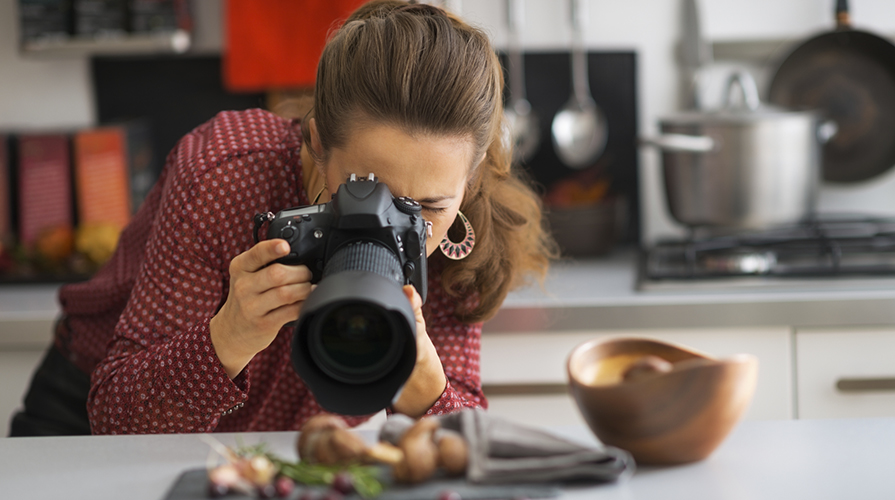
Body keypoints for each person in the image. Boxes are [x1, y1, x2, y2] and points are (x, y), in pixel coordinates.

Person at [9, 0, 555, 436]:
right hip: (80, 418)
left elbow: (464, 456)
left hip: (286, 454)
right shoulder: (225, 176)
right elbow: (115, 422)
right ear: (316, 141)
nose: (393, 226)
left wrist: (430, 397)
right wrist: (227, 335)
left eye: (430, 207)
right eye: (365, 191)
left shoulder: (462, 243)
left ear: (473, 177)